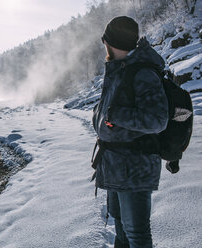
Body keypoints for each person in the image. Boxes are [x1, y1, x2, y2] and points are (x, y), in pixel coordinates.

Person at [92, 16, 169, 248]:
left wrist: (115, 116)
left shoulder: (142, 73)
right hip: (116, 165)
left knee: (136, 235)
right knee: (122, 233)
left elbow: (157, 120)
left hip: (135, 168)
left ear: (107, 42)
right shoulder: (119, 70)